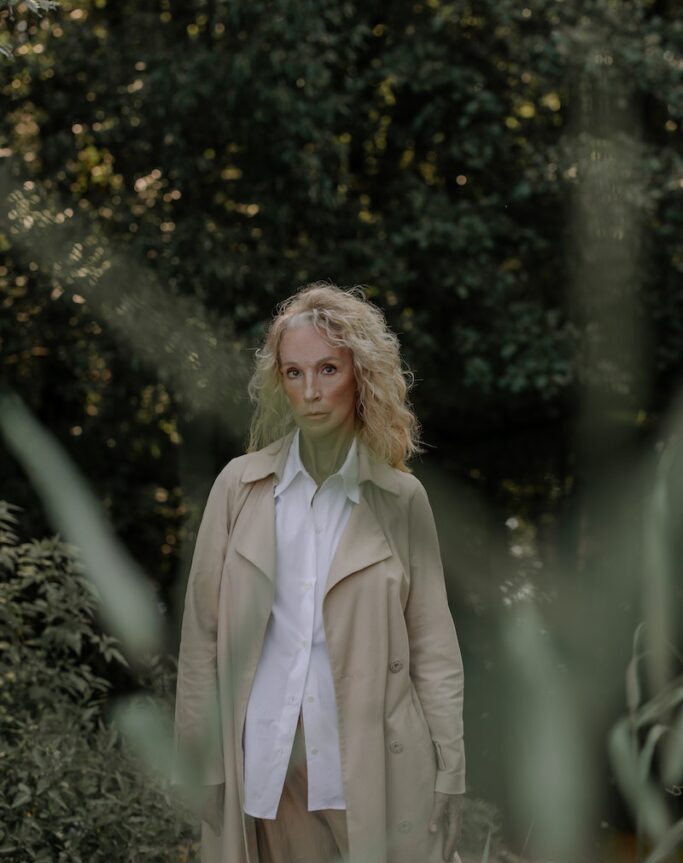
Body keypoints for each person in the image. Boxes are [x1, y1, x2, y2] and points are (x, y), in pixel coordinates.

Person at [172, 282, 466, 863]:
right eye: (294, 373)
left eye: (328, 369)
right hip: (267, 763)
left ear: (362, 374)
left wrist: (450, 768)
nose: (311, 392)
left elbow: (433, 647)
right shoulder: (239, 487)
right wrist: (199, 759)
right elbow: (202, 638)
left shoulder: (401, 499)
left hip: (374, 763)